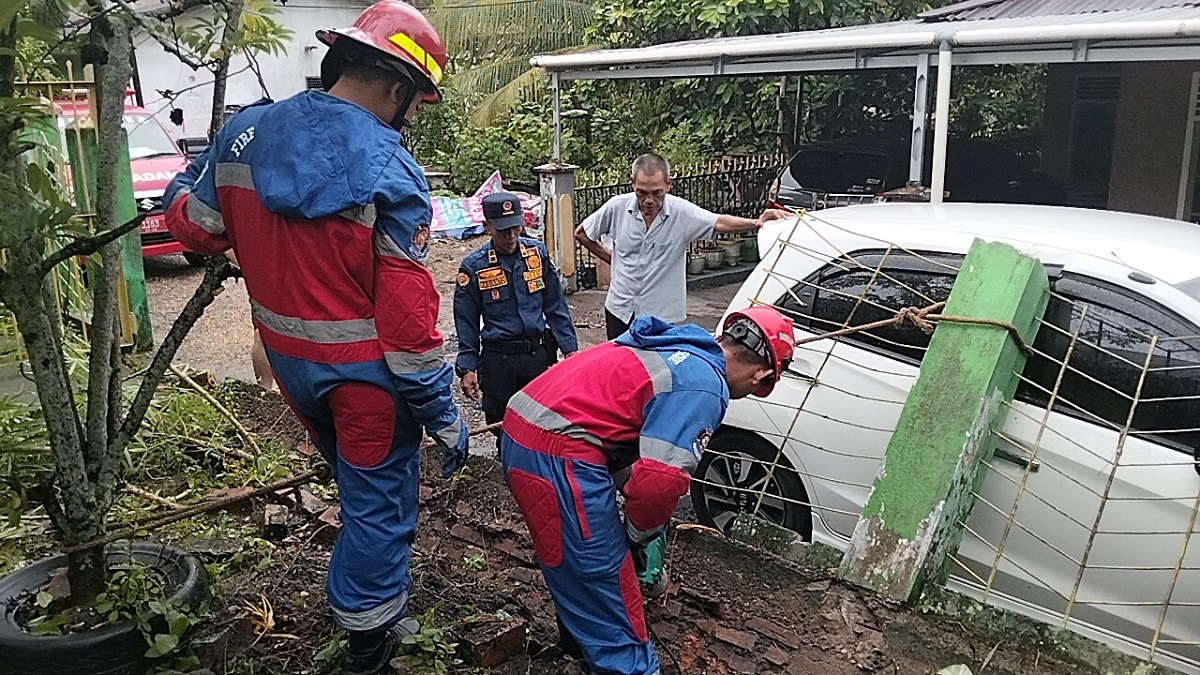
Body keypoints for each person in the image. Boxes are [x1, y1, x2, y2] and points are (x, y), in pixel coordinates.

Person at [161, 3, 469, 673]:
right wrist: (443, 414)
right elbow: (409, 325)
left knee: (358, 493)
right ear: (396, 88)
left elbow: (197, 228)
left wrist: (184, 181)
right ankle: (367, 645)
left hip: (292, 366)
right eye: (412, 102)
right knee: (380, 504)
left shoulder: (245, 133)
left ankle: (369, 610)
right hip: (365, 385)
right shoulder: (392, 172)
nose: (407, 118)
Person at [501, 306, 796, 674]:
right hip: (556, 453)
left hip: (526, 430)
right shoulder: (706, 384)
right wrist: (638, 537)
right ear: (762, 375)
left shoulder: (676, 345)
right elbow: (659, 483)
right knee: (606, 577)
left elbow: (616, 423)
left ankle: (578, 646)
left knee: (571, 558)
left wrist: (635, 507)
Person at [575, 153, 791, 339]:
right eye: (642, 192)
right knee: (619, 371)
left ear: (669, 184)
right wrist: (612, 260)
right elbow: (582, 233)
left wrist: (757, 222)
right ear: (632, 184)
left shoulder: (681, 213)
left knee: (658, 374)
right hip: (619, 310)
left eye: (657, 193)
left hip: (661, 316)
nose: (649, 200)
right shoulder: (617, 208)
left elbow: (719, 222)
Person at [453, 192, 578, 451]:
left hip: (536, 357)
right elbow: (465, 321)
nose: (511, 237)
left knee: (542, 421)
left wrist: (570, 349)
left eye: (515, 228)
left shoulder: (537, 254)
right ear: (487, 226)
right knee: (503, 426)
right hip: (499, 363)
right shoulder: (473, 267)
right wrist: (467, 367)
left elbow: (555, 304)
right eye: (503, 231)